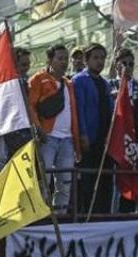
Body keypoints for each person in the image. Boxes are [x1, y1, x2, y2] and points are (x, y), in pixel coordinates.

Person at [29, 44, 82, 214]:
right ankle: (41, 217)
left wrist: (76, 142)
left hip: (67, 140)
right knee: (43, 181)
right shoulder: (38, 79)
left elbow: (73, 113)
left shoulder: (69, 84)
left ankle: (61, 216)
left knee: (65, 182)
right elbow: (30, 107)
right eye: (60, 58)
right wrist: (39, 129)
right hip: (47, 138)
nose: (64, 62)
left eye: (66, 58)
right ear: (50, 60)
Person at [72, 43, 112, 215]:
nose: (99, 61)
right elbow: (79, 109)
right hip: (89, 138)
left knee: (105, 180)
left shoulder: (105, 83)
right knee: (87, 180)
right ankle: (85, 215)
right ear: (86, 60)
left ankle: (103, 215)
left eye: (102, 58)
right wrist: (83, 134)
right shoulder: (79, 80)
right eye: (95, 58)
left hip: (105, 139)